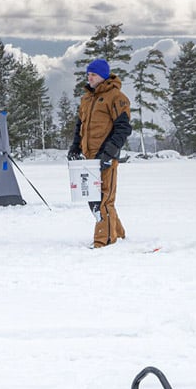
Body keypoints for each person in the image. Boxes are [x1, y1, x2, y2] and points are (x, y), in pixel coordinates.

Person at [69, 58, 132, 248]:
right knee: (93, 197)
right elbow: (80, 126)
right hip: (88, 158)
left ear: (103, 76)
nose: (89, 78)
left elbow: (123, 129)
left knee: (103, 198)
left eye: (93, 75)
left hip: (105, 157)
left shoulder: (117, 97)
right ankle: (118, 233)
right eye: (88, 75)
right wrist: (75, 147)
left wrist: (108, 154)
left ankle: (103, 241)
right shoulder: (87, 98)